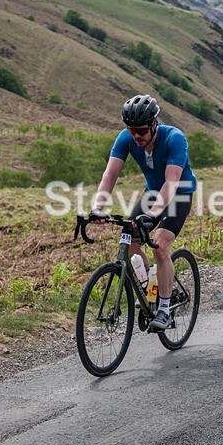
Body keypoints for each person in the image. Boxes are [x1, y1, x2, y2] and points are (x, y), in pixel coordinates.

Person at [89, 94, 197, 331]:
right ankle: (151, 287)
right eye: (131, 130)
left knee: (159, 246)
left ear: (153, 125)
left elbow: (171, 183)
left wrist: (152, 215)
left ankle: (165, 310)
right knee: (129, 241)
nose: (136, 136)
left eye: (141, 130)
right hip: (151, 193)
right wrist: (97, 207)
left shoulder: (174, 138)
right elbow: (110, 174)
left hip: (178, 193)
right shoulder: (126, 138)